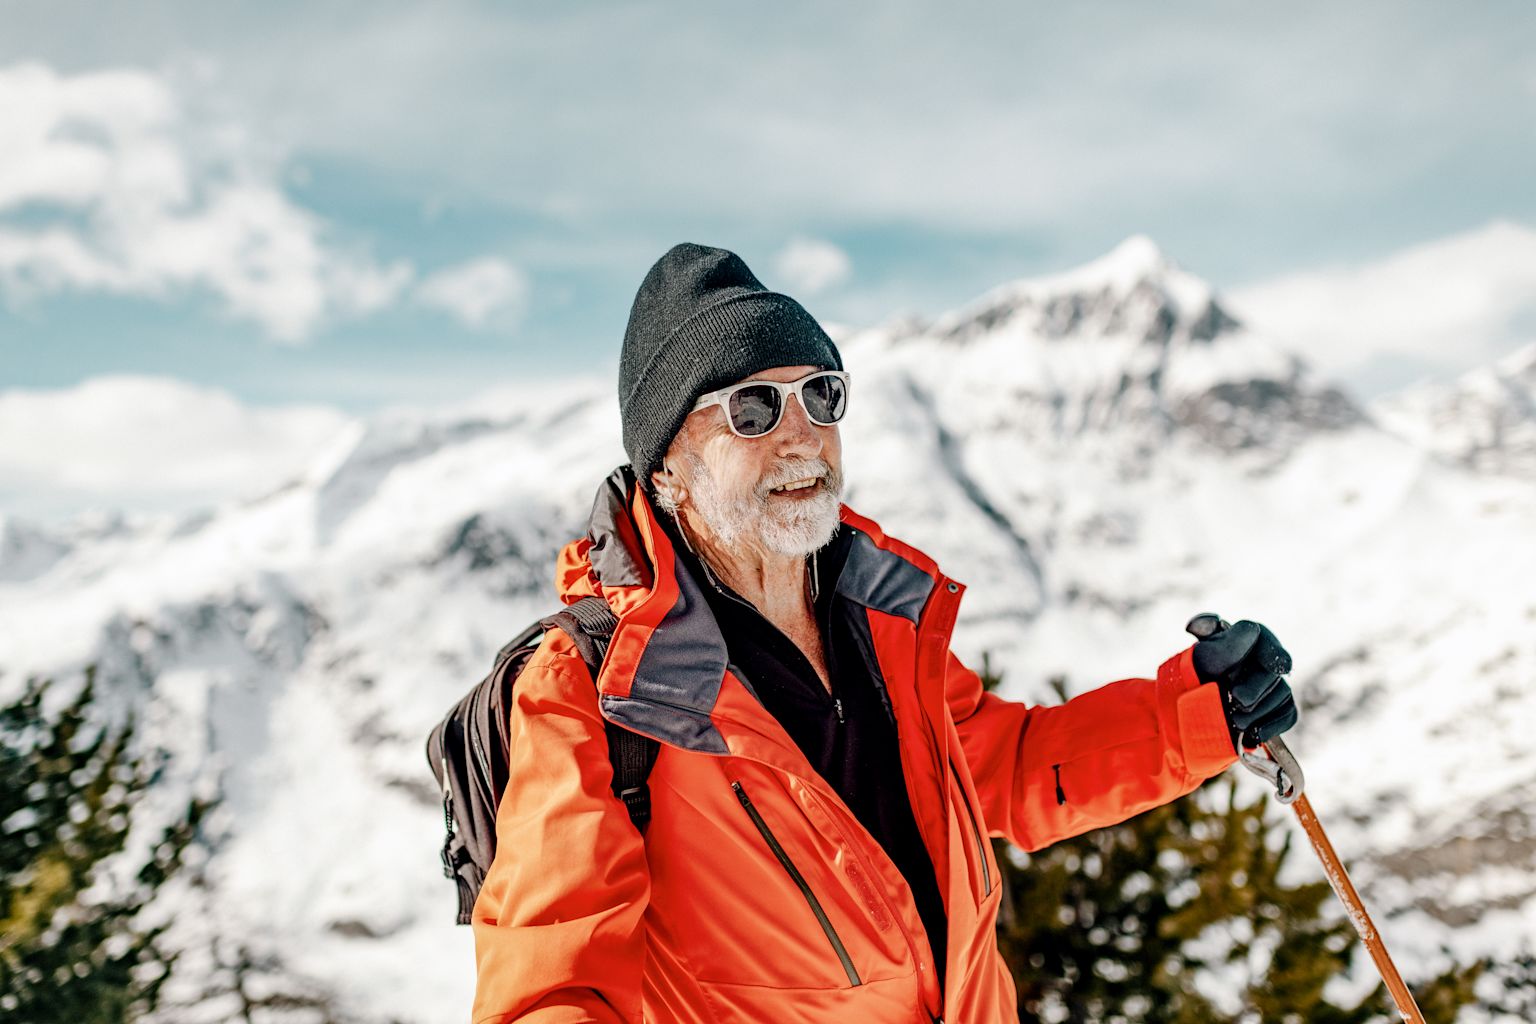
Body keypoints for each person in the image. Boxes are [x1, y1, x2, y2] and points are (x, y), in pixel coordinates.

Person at [469, 243, 1297, 1024]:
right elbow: (555, 978)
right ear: (667, 473)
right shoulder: (590, 688)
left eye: (820, 394)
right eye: (750, 408)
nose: (800, 434)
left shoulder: (881, 623)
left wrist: (1198, 715)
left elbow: (1004, 770)